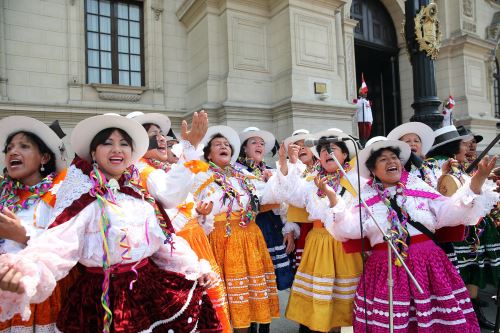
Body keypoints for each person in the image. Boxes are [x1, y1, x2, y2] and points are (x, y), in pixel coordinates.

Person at [0, 113, 222, 333]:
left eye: (124, 144)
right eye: (108, 143)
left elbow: (163, 241)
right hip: (101, 299)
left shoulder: (138, 195)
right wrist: (28, 271)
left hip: (147, 290)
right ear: (94, 153)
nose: (117, 149)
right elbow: (58, 245)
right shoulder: (84, 200)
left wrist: (194, 268)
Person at [323, 136, 498, 333]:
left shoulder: (418, 186)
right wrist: (333, 200)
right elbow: (348, 229)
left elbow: (450, 212)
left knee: (436, 318)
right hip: (386, 269)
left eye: (394, 157)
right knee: (394, 321)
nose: (391, 161)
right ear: (373, 170)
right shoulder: (365, 198)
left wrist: (477, 182)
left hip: (429, 265)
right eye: (383, 159)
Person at [129, 111, 232, 333]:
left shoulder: (158, 168)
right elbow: (169, 195)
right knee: (201, 310)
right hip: (179, 250)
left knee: (211, 304)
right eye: (154, 134)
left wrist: (201, 214)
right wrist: (190, 149)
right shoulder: (143, 170)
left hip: (194, 241)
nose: (162, 138)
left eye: (162, 133)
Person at [193, 125, 280, 333]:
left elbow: (270, 197)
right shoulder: (202, 178)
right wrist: (203, 215)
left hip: (250, 237)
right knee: (228, 300)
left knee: (248, 298)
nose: (224, 147)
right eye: (217, 144)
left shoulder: (243, 177)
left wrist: (282, 171)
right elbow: (194, 212)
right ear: (208, 153)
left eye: (227, 145)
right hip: (222, 239)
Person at [278, 129, 363, 333]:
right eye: (323, 150)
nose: (326, 153)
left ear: (344, 155)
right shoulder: (311, 182)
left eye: (332, 149)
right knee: (319, 305)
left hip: (344, 245)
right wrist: (284, 163)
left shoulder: (357, 181)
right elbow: (289, 195)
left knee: (339, 308)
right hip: (318, 244)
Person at [0, 116, 68, 333]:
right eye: (9, 148)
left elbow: (67, 246)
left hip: (44, 294)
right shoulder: (3, 195)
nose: (13, 152)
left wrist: (23, 236)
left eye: (24, 146)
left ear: (44, 157)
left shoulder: (60, 194)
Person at [429, 126, 499, 330]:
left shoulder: (457, 165)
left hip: (467, 229)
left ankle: (472, 314)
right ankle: (461, 316)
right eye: (463, 143)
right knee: (460, 274)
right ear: (453, 146)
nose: (468, 147)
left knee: (470, 270)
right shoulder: (436, 165)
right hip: (451, 230)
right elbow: (446, 195)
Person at [237, 127, 294, 293]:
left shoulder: (270, 170)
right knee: (256, 281)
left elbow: (286, 203)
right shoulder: (238, 172)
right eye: (254, 142)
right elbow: (246, 205)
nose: (259, 145)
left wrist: (288, 230)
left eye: (261, 143)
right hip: (252, 228)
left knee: (272, 283)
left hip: (273, 227)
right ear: (244, 148)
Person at [282, 129, 317, 270]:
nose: (301, 147)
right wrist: (289, 230)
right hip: (304, 228)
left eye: (305, 144)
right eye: (296, 146)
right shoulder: (291, 171)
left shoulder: (325, 168)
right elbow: (286, 202)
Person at [387, 122, 439, 187]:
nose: (413, 144)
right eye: (408, 141)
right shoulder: (394, 169)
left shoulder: (432, 167)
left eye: (416, 141)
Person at [353, 74, 372, 143]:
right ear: (361, 93)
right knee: (362, 136)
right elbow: (356, 107)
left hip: (368, 120)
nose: (366, 94)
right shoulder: (358, 101)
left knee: (367, 136)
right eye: (364, 92)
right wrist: (361, 100)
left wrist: (371, 121)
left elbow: (369, 112)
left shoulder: (367, 102)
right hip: (361, 120)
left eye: (366, 92)